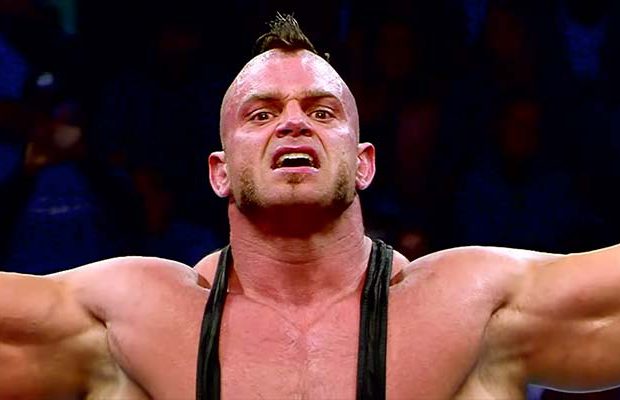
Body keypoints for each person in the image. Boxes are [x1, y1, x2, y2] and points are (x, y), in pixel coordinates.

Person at [2, 13, 620, 399]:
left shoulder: (472, 305)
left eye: (322, 112)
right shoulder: (131, 318)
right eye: (261, 114)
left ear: (364, 164)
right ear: (220, 172)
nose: (293, 123)